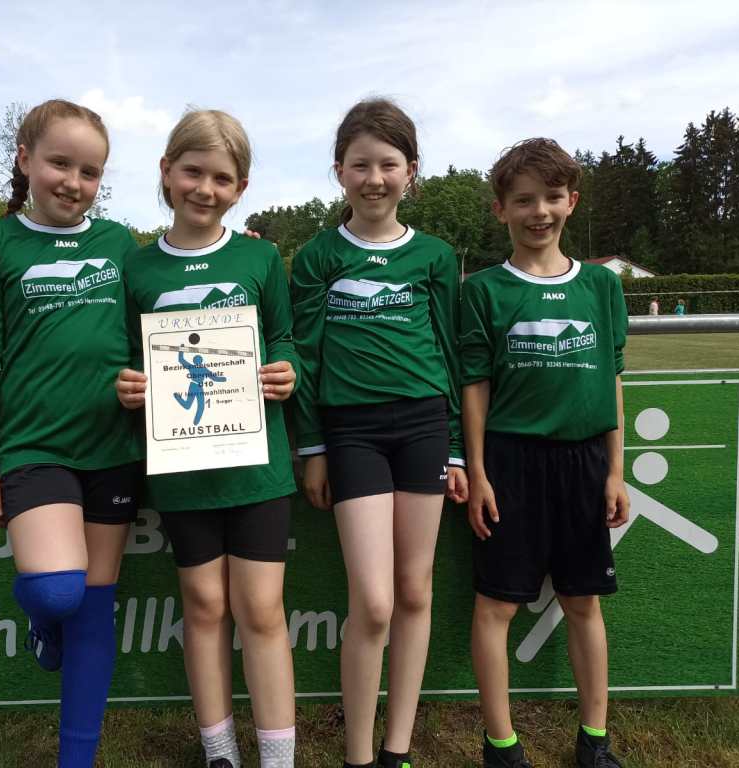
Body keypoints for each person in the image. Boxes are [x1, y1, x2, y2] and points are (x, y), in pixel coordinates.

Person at [0, 99, 142, 768]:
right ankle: (41, 621)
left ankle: (75, 761)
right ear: (25, 159)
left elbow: (151, 336)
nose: (73, 182)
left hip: (114, 449)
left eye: (90, 171)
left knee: (93, 608)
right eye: (60, 163)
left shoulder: (120, 244)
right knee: (56, 592)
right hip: (33, 449)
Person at [115, 109, 298, 768]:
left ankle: (278, 759)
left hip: (257, 465)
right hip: (183, 467)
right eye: (193, 172)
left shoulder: (259, 256)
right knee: (203, 604)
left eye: (222, 178)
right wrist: (128, 385)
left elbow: (284, 337)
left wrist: (287, 371)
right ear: (167, 171)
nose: (205, 189)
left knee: (261, 609)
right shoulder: (136, 268)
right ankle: (220, 753)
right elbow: (122, 356)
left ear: (240, 187)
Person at [290, 98, 468, 768]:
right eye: (360, 164)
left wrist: (456, 448)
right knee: (372, 601)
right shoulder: (317, 257)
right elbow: (306, 357)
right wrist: (313, 448)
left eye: (388, 164)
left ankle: (397, 750)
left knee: (415, 591)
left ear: (411, 171)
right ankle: (358, 755)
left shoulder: (435, 256)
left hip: (423, 427)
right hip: (352, 433)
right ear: (339, 170)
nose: (374, 179)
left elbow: (451, 355)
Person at [460, 138, 629, 768]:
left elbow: (612, 382)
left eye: (552, 197)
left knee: (582, 600)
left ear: (572, 202)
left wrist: (615, 471)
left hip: (584, 463)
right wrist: (479, 473)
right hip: (511, 464)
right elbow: (474, 387)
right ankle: (501, 745)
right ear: (501, 209)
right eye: (524, 200)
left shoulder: (602, 287)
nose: (540, 212)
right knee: (497, 604)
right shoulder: (483, 290)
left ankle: (594, 741)